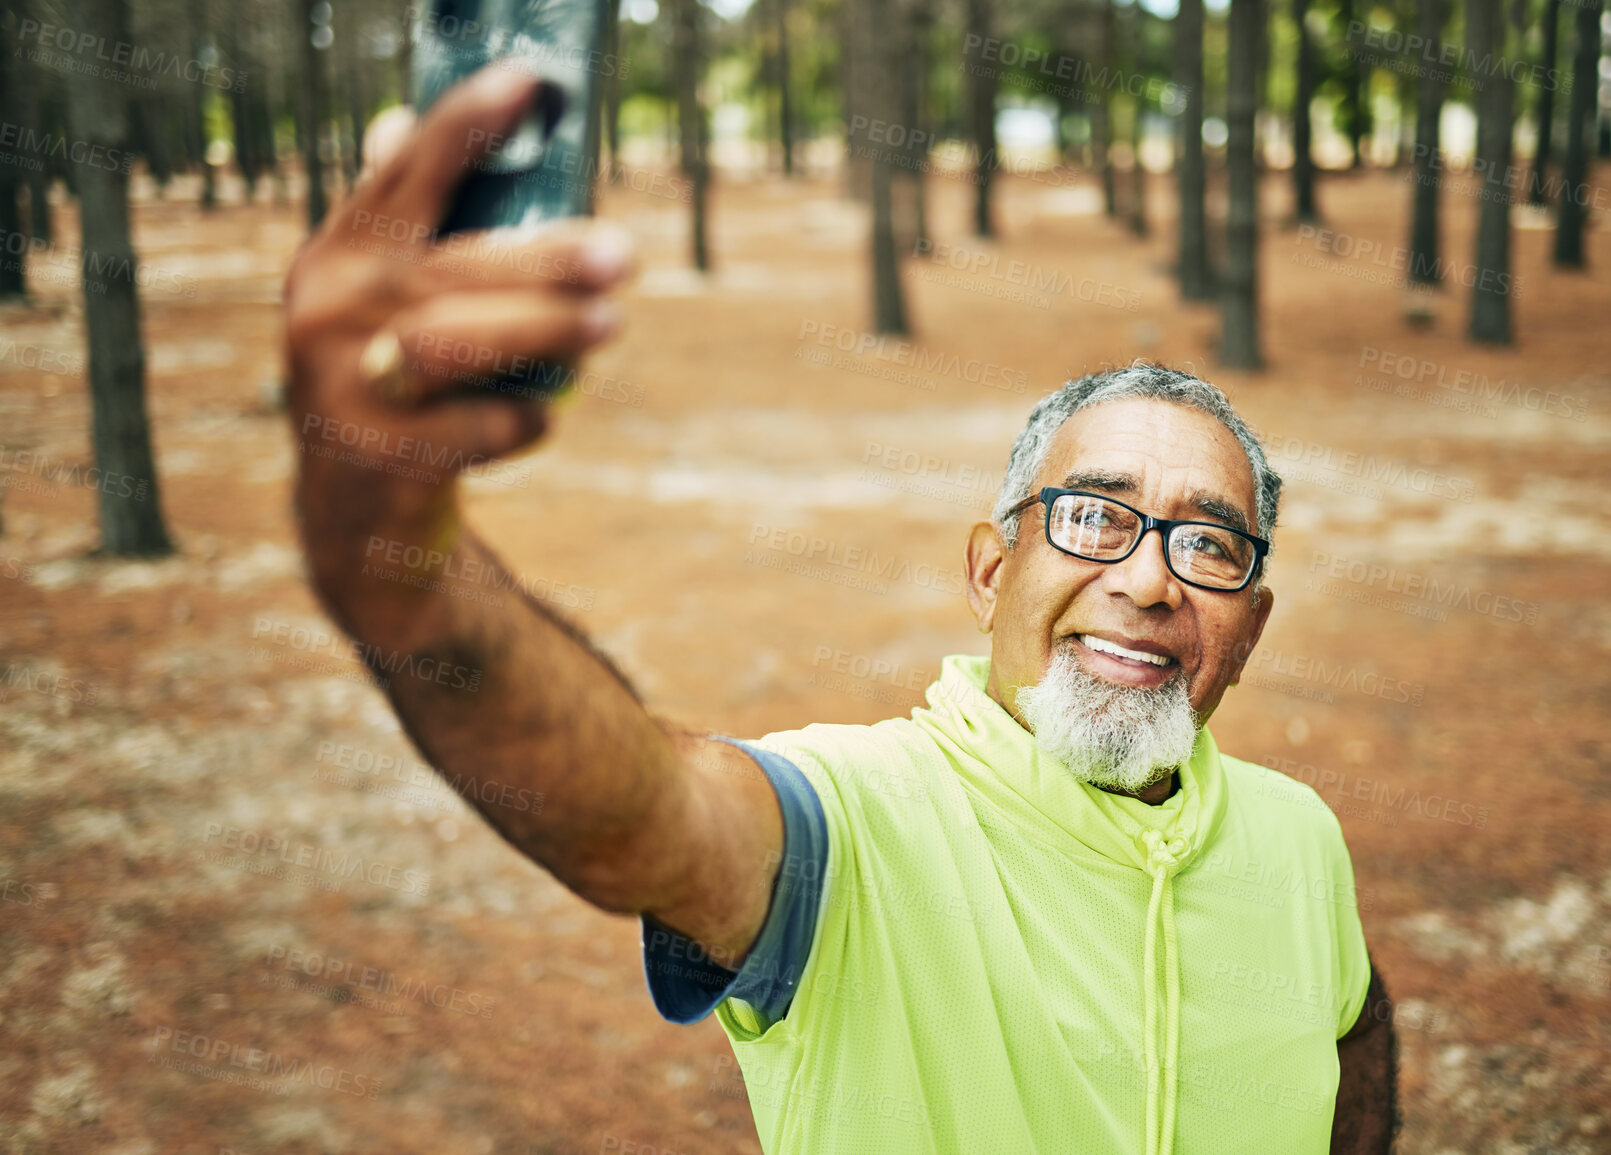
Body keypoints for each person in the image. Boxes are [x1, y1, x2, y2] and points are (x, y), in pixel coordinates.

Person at [284, 64, 1397, 1155]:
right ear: (988, 574)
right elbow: (634, 809)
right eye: (1093, 519)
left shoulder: (1297, 838)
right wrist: (389, 557)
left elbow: (1355, 1027)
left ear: (1247, 628)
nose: (1149, 581)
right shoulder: (855, 827)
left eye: (1206, 545)